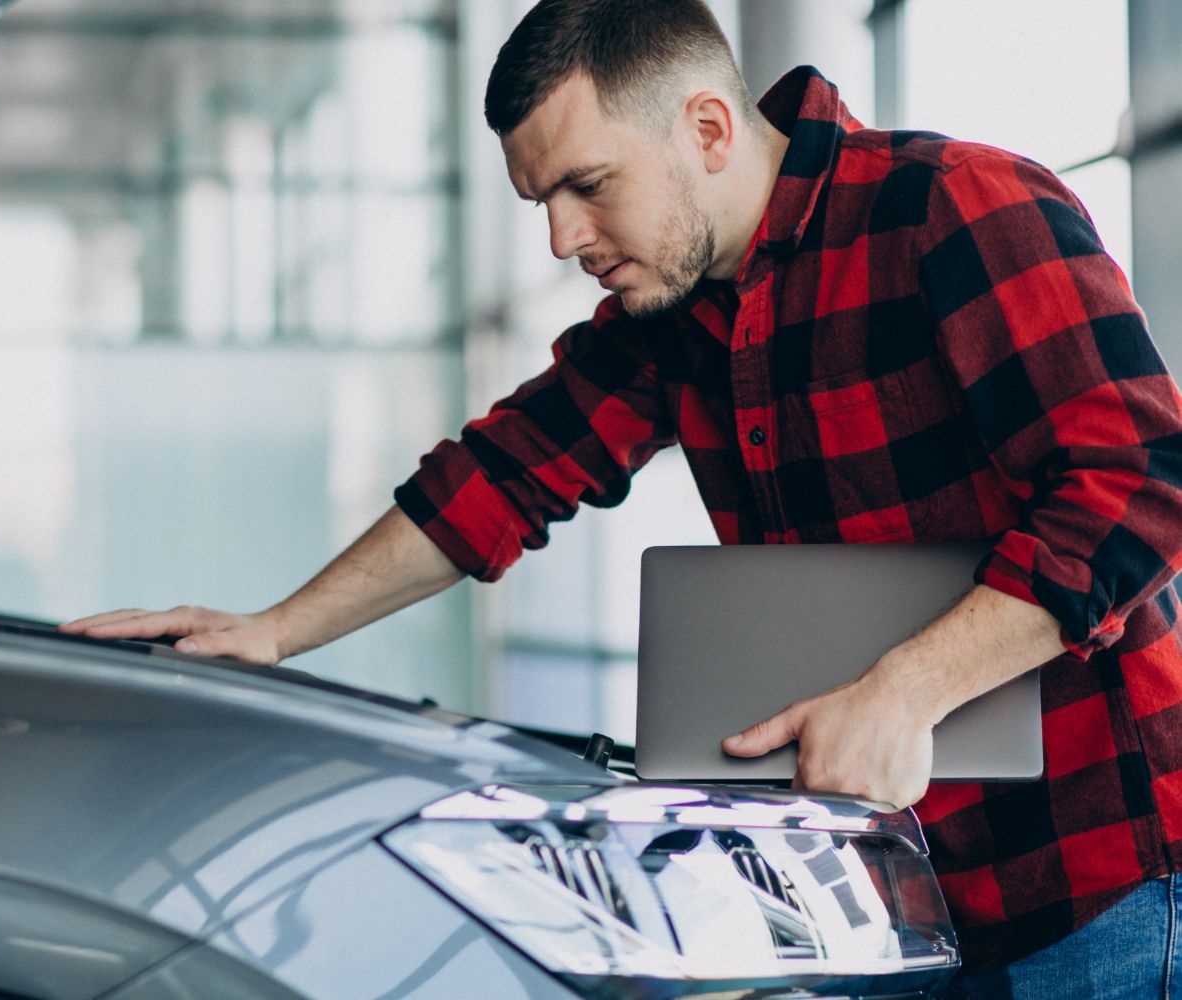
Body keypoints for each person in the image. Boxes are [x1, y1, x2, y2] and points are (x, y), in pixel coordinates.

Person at [63, 0, 1182, 992]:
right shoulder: (671, 316)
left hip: (1107, 891)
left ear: (704, 127)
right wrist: (273, 632)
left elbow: (1141, 484)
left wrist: (906, 690)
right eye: (541, 199)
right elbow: (498, 477)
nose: (562, 238)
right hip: (895, 895)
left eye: (587, 186)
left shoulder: (956, 207)